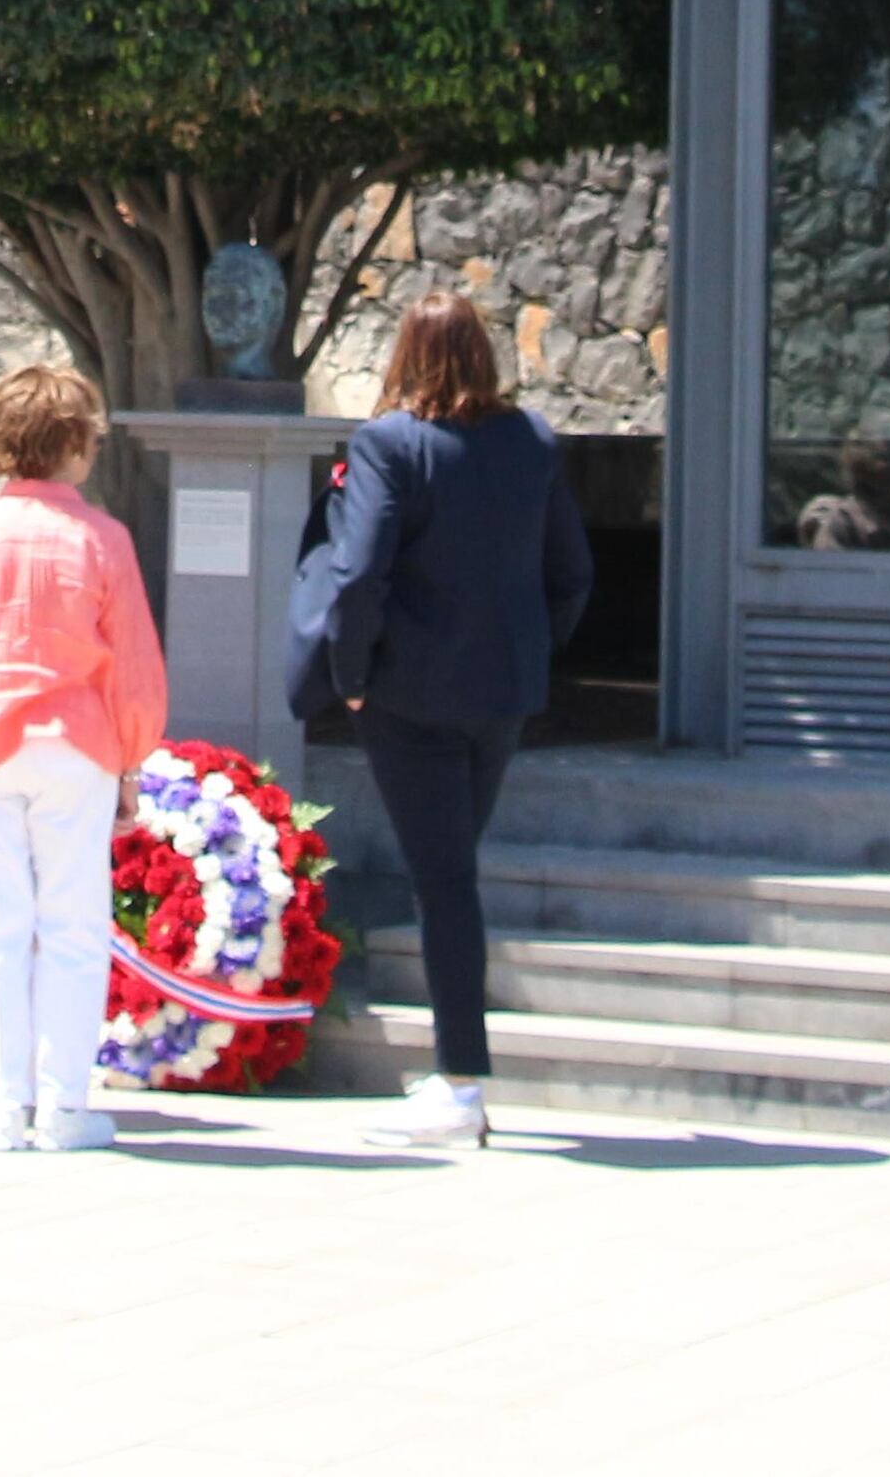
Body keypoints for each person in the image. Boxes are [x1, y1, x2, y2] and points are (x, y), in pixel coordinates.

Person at [288, 295, 591, 1154]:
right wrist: (529, 651)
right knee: (450, 872)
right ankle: (456, 1076)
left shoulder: (390, 443)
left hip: (409, 696)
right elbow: (570, 571)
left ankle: (462, 1082)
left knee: (446, 882)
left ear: (407, 353)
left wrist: (350, 679)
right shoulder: (530, 440)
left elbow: (359, 571)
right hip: (501, 695)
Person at [0, 361, 164, 1155]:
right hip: (75, 745)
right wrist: (132, 758)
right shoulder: (104, 539)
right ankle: (64, 1108)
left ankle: (2, 1108)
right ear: (76, 443)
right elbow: (136, 664)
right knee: (74, 927)